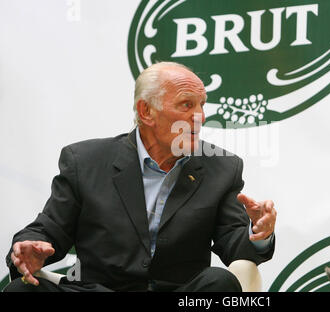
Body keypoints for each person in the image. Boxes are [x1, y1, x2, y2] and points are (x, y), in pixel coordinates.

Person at [4, 62, 276, 292]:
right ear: (146, 112)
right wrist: (29, 247)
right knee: (22, 289)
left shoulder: (222, 167)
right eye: (186, 105)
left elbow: (233, 243)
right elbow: (50, 228)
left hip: (180, 292)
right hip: (101, 290)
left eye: (202, 105)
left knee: (219, 282)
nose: (199, 117)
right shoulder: (85, 161)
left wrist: (258, 232)